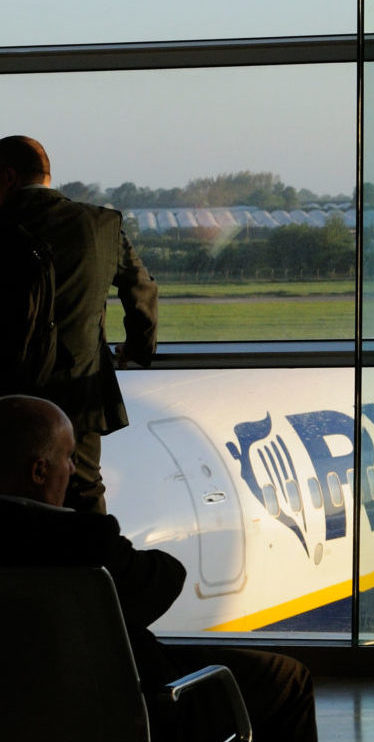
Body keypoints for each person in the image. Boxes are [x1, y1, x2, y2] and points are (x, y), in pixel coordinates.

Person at [0, 394, 318, 740]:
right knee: (289, 680)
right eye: (68, 458)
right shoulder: (81, 540)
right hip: (131, 706)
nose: (74, 470)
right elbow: (159, 584)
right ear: (39, 471)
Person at [0, 135, 158, 515]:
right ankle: (93, 569)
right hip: (78, 389)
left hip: (8, 391)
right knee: (84, 485)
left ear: (7, 176)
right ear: (47, 176)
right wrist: (139, 347)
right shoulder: (100, 224)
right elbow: (141, 289)